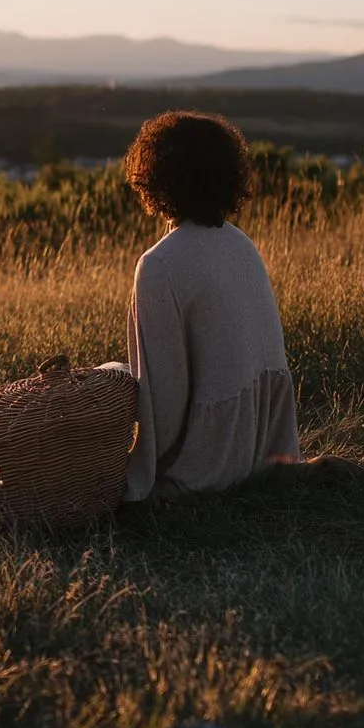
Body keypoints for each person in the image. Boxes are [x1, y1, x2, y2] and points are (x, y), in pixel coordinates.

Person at [121, 111, 299, 500]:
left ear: (155, 177)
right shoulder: (241, 245)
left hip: (207, 469)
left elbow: (163, 402)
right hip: (265, 453)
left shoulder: (159, 265)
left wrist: (127, 464)